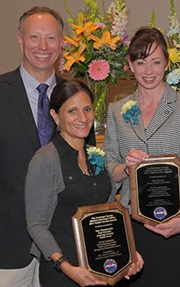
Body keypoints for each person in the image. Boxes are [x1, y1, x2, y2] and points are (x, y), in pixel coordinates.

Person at [104, 27, 180, 287]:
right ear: (130, 65)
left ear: (166, 63)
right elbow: (109, 164)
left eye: (155, 62)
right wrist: (126, 169)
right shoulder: (117, 111)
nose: (148, 71)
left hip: (179, 224)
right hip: (134, 226)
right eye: (141, 62)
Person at [25, 79, 143, 287]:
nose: (82, 118)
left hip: (102, 268)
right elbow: (36, 224)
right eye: (72, 111)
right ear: (55, 115)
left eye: (87, 109)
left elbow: (109, 213)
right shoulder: (45, 159)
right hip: (64, 273)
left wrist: (128, 253)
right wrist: (66, 267)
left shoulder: (98, 156)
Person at [0, 7, 75, 286]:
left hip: (65, 251)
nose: (43, 47)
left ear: (61, 43)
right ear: (20, 40)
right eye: (34, 37)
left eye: (51, 38)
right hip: (7, 248)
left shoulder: (75, 98)